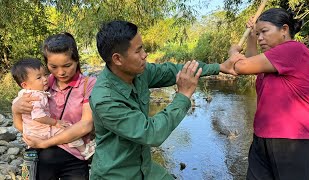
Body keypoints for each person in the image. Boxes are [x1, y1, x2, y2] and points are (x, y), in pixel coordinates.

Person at [89, 20, 239, 179]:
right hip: (116, 174)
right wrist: (183, 96)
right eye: (138, 50)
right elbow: (151, 133)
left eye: (143, 48)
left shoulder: (138, 72)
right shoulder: (105, 99)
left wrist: (220, 67)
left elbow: (171, 71)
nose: (145, 54)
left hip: (144, 168)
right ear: (117, 59)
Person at [227, 8, 309, 180]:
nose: (260, 37)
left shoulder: (294, 50)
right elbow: (251, 63)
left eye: (264, 32)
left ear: (284, 29)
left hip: (295, 141)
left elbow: (241, 66)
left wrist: (233, 52)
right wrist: (251, 36)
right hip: (262, 139)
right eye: (258, 33)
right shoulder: (271, 60)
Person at [11, 33, 96, 180]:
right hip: (38, 157)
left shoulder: (89, 84)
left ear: (76, 60)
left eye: (67, 65)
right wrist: (15, 110)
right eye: (53, 67)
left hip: (74, 159)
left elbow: (86, 126)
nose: (60, 72)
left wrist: (44, 143)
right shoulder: (40, 84)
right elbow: (23, 127)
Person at [11, 58, 95, 160]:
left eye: (45, 75)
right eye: (39, 78)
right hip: (43, 132)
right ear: (25, 84)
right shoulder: (37, 96)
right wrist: (55, 122)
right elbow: (38, 116)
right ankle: (85, 150)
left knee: (32, 170)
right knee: (68, 129)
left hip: (32, 136)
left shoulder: (23, 95)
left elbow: (22, 126)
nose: (45, 79)